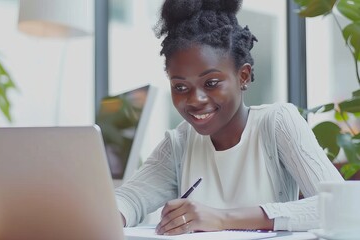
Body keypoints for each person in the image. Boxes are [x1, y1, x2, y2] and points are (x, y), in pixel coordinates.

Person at [114, 0, 343, 235]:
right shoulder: (180, 141)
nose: (195, 100)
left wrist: (222, 218)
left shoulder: (276, 123)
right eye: (181, 87)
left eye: (211, 83)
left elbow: (339, 206)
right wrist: (111, 214)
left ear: (243, 76)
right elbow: (129, 198)